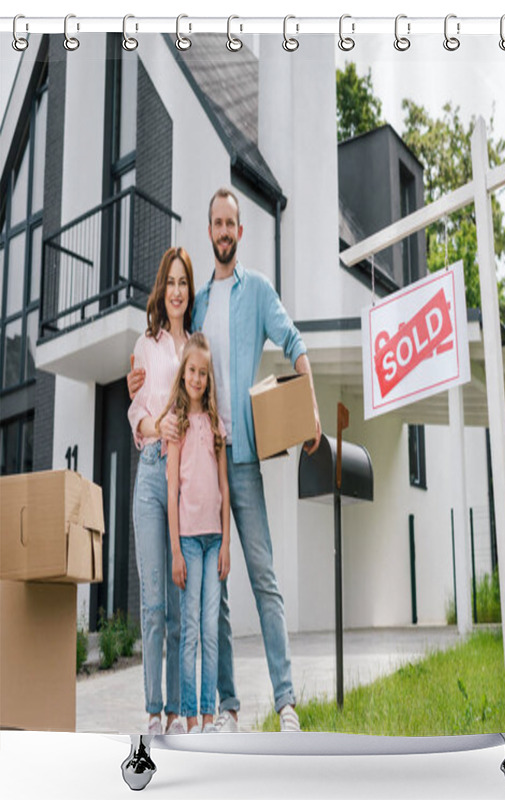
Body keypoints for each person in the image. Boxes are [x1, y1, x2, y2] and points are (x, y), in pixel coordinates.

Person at [129, 188, 321, 733]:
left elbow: (292, 338)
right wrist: (135, 380)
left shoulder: (256, 290)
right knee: (215, 593)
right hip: (199, 462)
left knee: (262, 575)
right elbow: (170, 368)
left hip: (242, 461)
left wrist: (308, 400)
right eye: (216, 223)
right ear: (209, 230)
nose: (223, 231)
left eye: (231, 223)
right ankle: (229, 707)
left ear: (240, 231)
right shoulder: (199, 308)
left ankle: (285, 702)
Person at [127, 246, 195, 736]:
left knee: (176, 605)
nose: (175, 291)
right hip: (151, 472)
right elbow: (134, 410)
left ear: (190, 293)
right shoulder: (145, 345)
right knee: (152, 603)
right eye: (169, 282)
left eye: (183, 283)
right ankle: (154, 711)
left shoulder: (195, 347)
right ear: (161, 289)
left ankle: (176, 712)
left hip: (185, 477)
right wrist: (155, 421)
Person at [158, 333, 231, 735]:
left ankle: (207, 715)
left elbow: (224, 490)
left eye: (204, 372)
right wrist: (175, 552)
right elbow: (172, 492)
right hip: (187, 541)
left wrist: (227, 545)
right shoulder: (177, 427)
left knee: (210, 631)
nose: (198, 378)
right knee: (189, 633)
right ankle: (187, 716)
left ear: (209, 377)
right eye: (192, 371)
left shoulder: (217, 427)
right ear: (183, 373)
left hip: (214, 541)